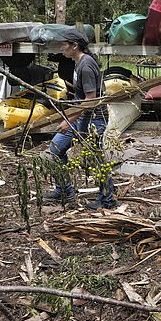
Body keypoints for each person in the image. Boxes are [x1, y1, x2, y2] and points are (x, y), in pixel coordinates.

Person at [43, 28, 117, 210]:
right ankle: (64, 190)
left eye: (64, 45)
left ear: (74, 46)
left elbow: (91, 100)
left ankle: (108, 199)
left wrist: (68, 120)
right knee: (55, 150)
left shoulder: (85, 65)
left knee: (95, 158)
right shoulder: (79, 63)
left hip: (94, 119)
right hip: (82, 116)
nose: (61, 48)